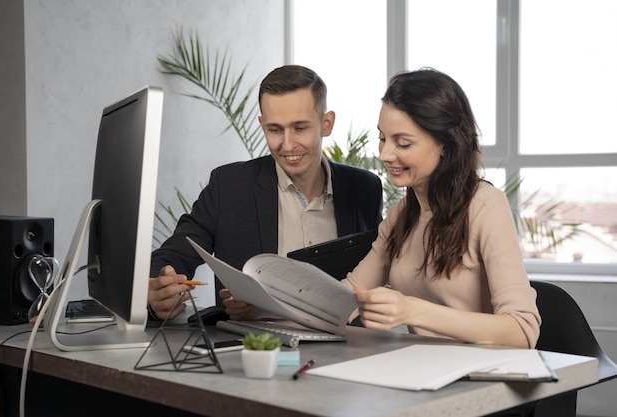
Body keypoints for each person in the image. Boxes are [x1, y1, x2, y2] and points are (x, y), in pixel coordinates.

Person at [224, 68, 540, 350]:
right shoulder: (402, 215)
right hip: (419, 373)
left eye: (402, 143)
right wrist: (259, 307)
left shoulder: (485, 205)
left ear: (444, 143)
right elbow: (343, 299)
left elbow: (522, 330)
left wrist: (412, 310)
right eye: (382, 138)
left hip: (477, 382)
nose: (386, 154)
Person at [149, 65, 383, 320]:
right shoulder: (229, 186)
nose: (288, 144)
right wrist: (156, 295)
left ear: (326, 124)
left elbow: (380, 275)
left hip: (346, 350)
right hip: (255, 351)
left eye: (300, 128)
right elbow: (169, 258)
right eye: (274, 129)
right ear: (262, 125)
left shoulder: (364, 189)